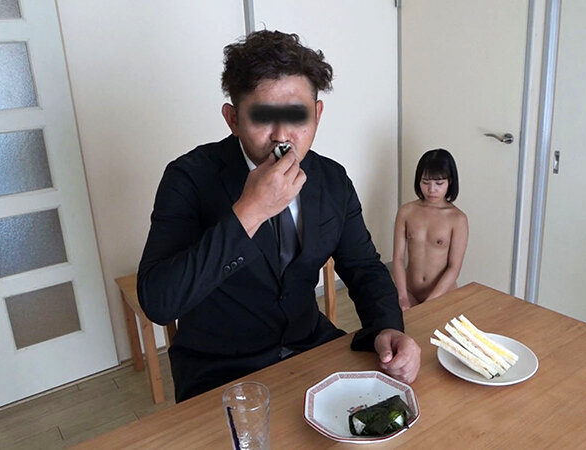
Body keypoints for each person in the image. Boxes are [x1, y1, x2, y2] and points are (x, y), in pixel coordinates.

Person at [137, 30, 421, 402]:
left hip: (310, 346)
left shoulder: (331, 179)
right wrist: (249, 211)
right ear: (233, 119)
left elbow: (364, 268)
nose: (282, 135)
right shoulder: (188, 177)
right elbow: (159, 301)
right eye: (263, 118)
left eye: (296, 116)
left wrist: (388, 327)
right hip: (220, 369)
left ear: (317, 114)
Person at [391, 149, 468, 311]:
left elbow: (454, 267)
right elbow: (397, 258)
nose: (431, 189)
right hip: (409, 291)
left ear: (450, 182)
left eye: (439, 183)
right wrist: (402, 296)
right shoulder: (406, 211)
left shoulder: (457, 218)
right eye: (425, 182)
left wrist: (430, 303)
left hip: (442, 294)